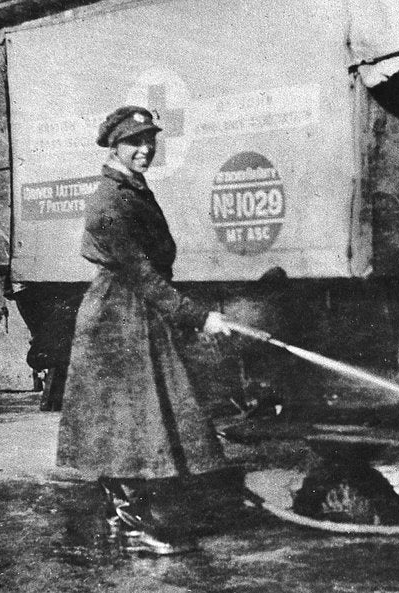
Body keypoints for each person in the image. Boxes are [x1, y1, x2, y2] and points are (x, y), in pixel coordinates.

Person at [56, 105, 233, 556]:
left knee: (138, 419)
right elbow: (141, 274)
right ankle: (137, 523)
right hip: (117, 318)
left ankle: (124, 516)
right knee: (133, 422)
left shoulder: (132, 190)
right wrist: (198, 316)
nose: (146, 149)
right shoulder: (109, 201)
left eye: (150, 140)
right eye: (135, 142)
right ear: (114, 147)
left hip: (135, 312)